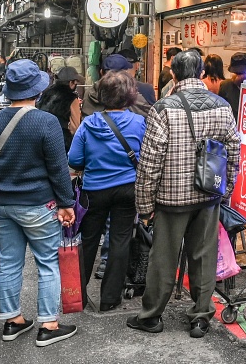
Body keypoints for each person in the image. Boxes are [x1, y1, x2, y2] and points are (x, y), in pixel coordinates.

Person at [129, 50, 241, 339]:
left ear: (174, 75)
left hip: (171, 198)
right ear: (202, 73)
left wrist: (144, 205)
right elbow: (234, 149)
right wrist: (226, 188)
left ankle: (151, 316)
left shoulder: (164, 108)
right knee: (204, 256)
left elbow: (150, 161)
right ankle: (201, 317)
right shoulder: (221, 105)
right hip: (209, 194)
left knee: (163, 258)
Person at [0, 59, 77, 346]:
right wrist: (66, 203)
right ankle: (48, 325)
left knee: (9, 261)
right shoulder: (46, 122)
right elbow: (58, 168)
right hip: (37, 204)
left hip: (1, 204)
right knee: (47, 263)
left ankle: (12, 321)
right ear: (38, 90)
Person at [69, 71, 145, 312]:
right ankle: (110, 298)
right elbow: (146, 157)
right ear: (129, 96)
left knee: (88, 240)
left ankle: (77, 294)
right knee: (120, 239)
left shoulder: (88, 123)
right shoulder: (139, 123)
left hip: (94, 190)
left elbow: (74, 159)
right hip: (127, 189)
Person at [83, 54, 152, 118]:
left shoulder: (89, 93)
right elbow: (147, 116)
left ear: (101, 72)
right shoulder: (131, 94)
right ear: (124, 74)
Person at [36, 66, 83, 151]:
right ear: (71, 82)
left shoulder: (47, 92)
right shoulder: (71, 98)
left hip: (40, 136)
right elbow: (75, 127)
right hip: (61, 141)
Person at [220, 53, 246, 120]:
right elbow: (221, 108)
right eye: (237, 73)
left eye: (242, 73)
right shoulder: (225, 85)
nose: (240, 76)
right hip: (231, 123)